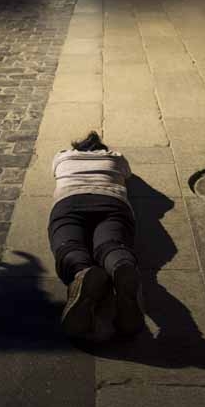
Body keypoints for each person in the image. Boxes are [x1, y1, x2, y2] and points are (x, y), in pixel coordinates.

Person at [48, 131, 145, 341]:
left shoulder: (62, 156)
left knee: (69, 245)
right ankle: (121, 266)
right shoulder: (115, 157)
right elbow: (128, 174)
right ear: (102, 148)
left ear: (77, 146)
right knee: (111, 245)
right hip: (112, 201)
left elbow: (55, 172)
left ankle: (82, 272)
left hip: (70, 200)